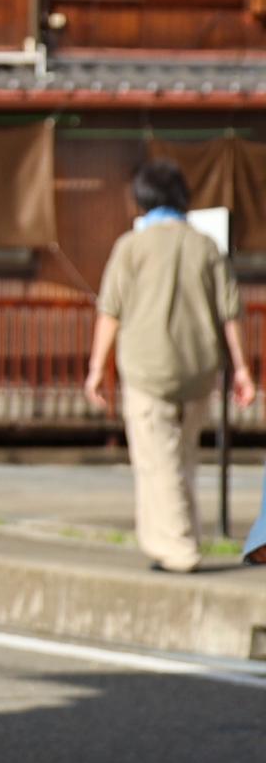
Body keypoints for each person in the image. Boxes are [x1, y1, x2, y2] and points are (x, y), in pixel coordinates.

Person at [84, 159, 257, 573]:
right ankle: (172, 542)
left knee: (157, 463)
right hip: (199, 372)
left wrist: (95, 369)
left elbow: (110, 311)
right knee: (183, 462)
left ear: (142, 200)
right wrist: (244, 370)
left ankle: (178, 549)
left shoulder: (131, 246)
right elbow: (231, 313)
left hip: (147, 370)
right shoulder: (206, 246)